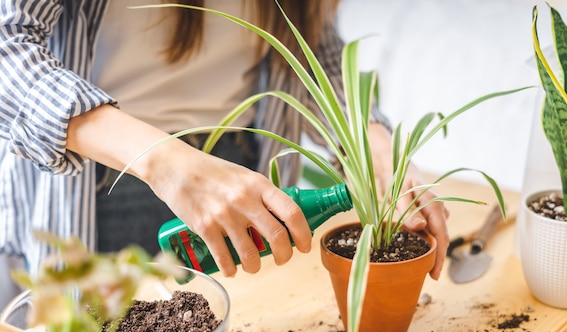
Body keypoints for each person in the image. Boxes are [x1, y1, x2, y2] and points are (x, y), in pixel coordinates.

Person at [0, 0, 449, 293]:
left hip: (242, 177)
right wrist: (167, 163)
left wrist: (371, 143)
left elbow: (317, 47)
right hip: (101, 182)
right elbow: (8, 48)